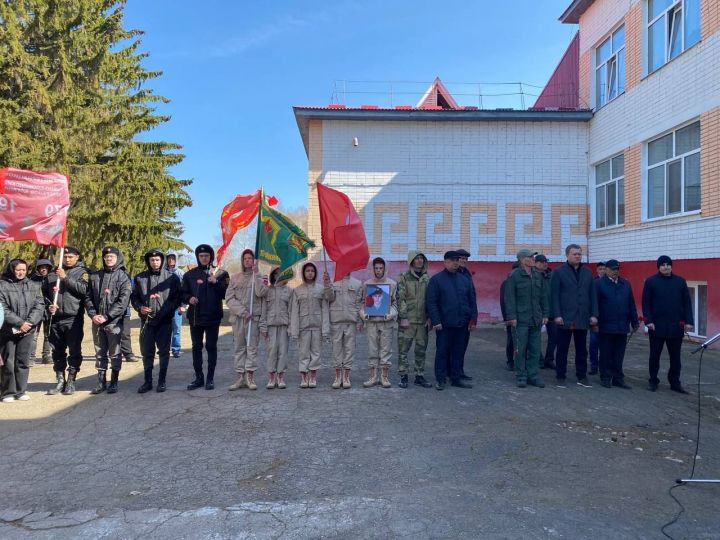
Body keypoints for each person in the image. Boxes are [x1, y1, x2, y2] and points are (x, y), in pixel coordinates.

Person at [131, 249, 182, 393]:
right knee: (147, 352)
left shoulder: (171, 278)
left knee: (164, 351)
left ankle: (162, 381)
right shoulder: (140, 278)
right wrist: (140, 307)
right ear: (148, 261)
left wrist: (165, 312)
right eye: (152, 260)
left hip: (164, 321)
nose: (155, 262)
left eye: (157, 260)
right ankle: (148, 381)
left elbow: (176, 298)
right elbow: (134, 297)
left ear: (162, 261)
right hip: (147, 322)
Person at [642, 255, 694, 394]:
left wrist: (689, 321)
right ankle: (653, 381)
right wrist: (649, 321)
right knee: (654, 356)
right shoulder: (651, 282)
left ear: (671, 266)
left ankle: (675, 382)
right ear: (658, 267)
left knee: (675, 357)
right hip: (656, 326)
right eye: (662, 265)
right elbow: (646, 303)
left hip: (675, 326)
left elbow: (687, 303)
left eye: (668, 264)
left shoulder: (680, 282)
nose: (665, 267)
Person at [426, 251, 477, 390]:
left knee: (458, 352)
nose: (455, 262)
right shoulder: (436, 280)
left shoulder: (464, 279)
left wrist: (473, 319)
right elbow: (432, 302)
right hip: (444, 325)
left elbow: (471, 301)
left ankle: (456, 378)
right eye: (452, 260)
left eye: (457, 260)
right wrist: (436, 321)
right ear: (445, 262)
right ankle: (441, 379)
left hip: (462, 323)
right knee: (442, 352)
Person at [550, 244, 598, 388]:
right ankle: (560, 376)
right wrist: (556, 315)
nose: (578, 256)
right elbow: (554, 295)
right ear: (567, 255)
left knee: (582, 349)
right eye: (574, 254)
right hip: (565, 317)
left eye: (579, 254)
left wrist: (594, 314)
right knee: (563, 348)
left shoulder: (588, 272)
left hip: (583, 317)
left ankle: (582, 376)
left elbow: (593, 295)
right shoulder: (558, 272)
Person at [85, 247, 132, 394]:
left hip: (114, 322)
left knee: (115, 352)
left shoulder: (123, 277)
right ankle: (101, 382)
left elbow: (123, 301)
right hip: (97, 321)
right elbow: (88, 298)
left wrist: (107, 316)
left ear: (117, 258)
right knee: (100, 352)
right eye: (106, 257)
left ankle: (114, 381)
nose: (109, 259)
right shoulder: (95, 276)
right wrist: (94, 315)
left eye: (112, 256)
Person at [181, 244, 229, 391]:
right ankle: (199, 377)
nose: (204, 258)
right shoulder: (189, 275)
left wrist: (217, 283)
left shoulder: (221, 273)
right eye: (201, 256)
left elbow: (227, 294)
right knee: (196, 348)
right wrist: (189, 299)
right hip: (195, 317)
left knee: (211, 347)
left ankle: (210, 378)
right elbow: (182, 293)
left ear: (211, 257)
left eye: (206, 256)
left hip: (213, 317)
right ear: (197, 257)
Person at [44, 246, 88, 395]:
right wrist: (49, 305)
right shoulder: (52, 274)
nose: (67, 259)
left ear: (77, 257)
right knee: (57, 351)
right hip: (55, 318)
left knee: (74, 350)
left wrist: (66, 278)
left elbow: (85, 291)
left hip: (73, 317)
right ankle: (60, 380)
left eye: (71, 257)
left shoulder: (83, 273)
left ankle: (71, 380)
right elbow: (44, 295)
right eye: (65, 256)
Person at [503, 249, 549, 388]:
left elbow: (543, 296)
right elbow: (509, 299)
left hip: (536, 318)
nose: (533, 259)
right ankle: (521, 375)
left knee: (535, 349)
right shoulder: (514, 276)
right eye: (530, 257)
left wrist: (546, 314)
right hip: (520, 319)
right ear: (522, 259)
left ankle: (533, 375)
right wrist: (511, 317)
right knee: (520, 349)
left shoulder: (537, 275)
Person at [0, 259, 45, 402]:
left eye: (24, 270)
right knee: (8, 361)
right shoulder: (2, 285)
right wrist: (19, 323)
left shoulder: (33, 285)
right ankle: (8, 392)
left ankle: (21, 390)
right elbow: (3, 309)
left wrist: (29, 323)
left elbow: (39, 305)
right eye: (18, 269)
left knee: (23, 360)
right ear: (12, 269)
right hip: (8, 330)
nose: (21, 272)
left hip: (28, 330)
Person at [226, 249, 268, 391]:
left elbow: (261, 293)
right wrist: (242, 312)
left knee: (252, 349)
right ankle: (240, 378)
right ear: (242, 261)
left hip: (253, 320)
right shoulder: (235, 278)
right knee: (239, 348)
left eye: (250, 258)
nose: (248, 261)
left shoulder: (260, 277)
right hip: (239, 318)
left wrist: (256, 274)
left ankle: (250, 377)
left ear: (254, 260)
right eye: (245, 259)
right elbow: (229, 298)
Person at [595, 260, 638, 389]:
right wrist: (594, 321)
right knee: (606, 353)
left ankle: (618, 378)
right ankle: (605, 377)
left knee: (619, 353)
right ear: (606, 270)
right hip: (606, 325)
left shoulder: (625, 284)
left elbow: (631, 304)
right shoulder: (599, 284)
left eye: (617, 269)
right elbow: (594, 304)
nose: (615, 271)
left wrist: (634, 321)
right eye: (613, 269)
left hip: (622, 326)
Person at [289, 262, 329, 388]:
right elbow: (294, 312)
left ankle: (312, 377)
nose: (310, 273)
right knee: (303, 353)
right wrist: (294, 330)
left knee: (316, 353)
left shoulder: (321, 289)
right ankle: (304, 377)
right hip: (303, 328)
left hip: (317, 327)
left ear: (315, 273)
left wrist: (325, 329)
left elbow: (325, 309)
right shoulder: (297, 290)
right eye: (307, 271)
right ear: (303, 273)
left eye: (312, 271)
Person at [396, 251, 432, 389]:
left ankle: (419, 376)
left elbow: (431, 300)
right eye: (416, 258)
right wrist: (403, 318)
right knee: (403, 350)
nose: (419, 261)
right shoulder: (404, 278)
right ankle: (403, 376)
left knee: (421, 350)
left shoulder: (427, 279)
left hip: (422, 321)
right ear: (411, 261)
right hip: (408, 322)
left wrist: (430, 318)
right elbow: (401, 298)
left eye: (421, 258)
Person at [360, 257, 398, 388]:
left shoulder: (392, 284)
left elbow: (394, 303)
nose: (378, 270)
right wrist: (363, 314)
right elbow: (361, 303)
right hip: (371, 322)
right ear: (373, 269)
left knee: (386, 350)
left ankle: (384, 377)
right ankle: (373, 377)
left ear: (385, 269)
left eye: (381, 268)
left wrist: (391, 313)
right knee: (372, 350)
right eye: (376, 268)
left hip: (386, 322)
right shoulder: (367, 284)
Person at [323, 269, 362, 389]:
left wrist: (360, 320)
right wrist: (327, 283)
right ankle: (337, 376)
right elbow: (329, 297)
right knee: (336, 349)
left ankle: (346, 377)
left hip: (351, 320)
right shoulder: (333, 282)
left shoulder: (357, 284)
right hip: (336, 320)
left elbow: (359, 304)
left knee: (350, 349)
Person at [260, 268, 292, 389]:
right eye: (276, 274)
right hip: (270, 325)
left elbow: (291, 310)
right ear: (272, 276)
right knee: (272, 351)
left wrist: (291, 326)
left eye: (281, 274)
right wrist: (263, 326)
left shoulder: (289, 291)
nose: (278, 276)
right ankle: (272, 377)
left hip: (284, 325)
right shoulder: (267, 290)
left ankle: (281, 377)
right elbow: (263, 309)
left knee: (283, 351)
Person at [454, 249, 476, 380]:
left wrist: (473, 318)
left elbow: (472, 297)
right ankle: (450, 372)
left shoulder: (467, 274)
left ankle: (459, 371)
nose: (463, 261)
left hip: (465, 317)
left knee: (462, 346)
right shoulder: (452, 274)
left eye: (465, 259)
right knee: (452, 348)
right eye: (461, 258)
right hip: (453, 318)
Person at [29, 258, 53, 365]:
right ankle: (30, 356)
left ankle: (46, 355)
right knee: (33, 335)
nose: (43, 269)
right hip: (35, 311)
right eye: (41, 267)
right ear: (38, 268)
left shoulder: (53, 279)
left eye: (46, 267)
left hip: (48, 310)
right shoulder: (32, 280)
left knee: (48, 335)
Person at [534, 254, 556, 369]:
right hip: (538, 312)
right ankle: (539, 359)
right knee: (536, 337)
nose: (544, 263)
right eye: (541, 262)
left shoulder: (552, 275)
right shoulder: (533, 275)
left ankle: (549, 359)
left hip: (551, 312)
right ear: (536, 263)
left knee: (554, 336)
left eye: (545, 261)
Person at [165, 252, 186, 358]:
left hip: (177, 306)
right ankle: (165, 349)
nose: (171, 260)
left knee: (176, 328)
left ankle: (176, 349)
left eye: (173, 258)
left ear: (176, 260)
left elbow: (184, 291)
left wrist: (183, 305)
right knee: (165, 328)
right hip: (164, 307)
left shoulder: (181, 273)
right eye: (169, 258)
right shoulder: (162, 272)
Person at [500, 261, 519, 371]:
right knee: (511, 339)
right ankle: (510, 361)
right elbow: (504, 302)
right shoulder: (507, 283)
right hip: (511, 317)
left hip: (522, 317)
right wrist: (507, 318)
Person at [589, 261, 606, 376]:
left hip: (607, 319)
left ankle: (604, 366)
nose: (603, 271)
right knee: (594, 344)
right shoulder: (593, 283)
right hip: (596, 318)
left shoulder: (612, 282)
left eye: (604, 269)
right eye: (600, 269)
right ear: (597, 270)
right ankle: (594, 366)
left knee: (605, 344)